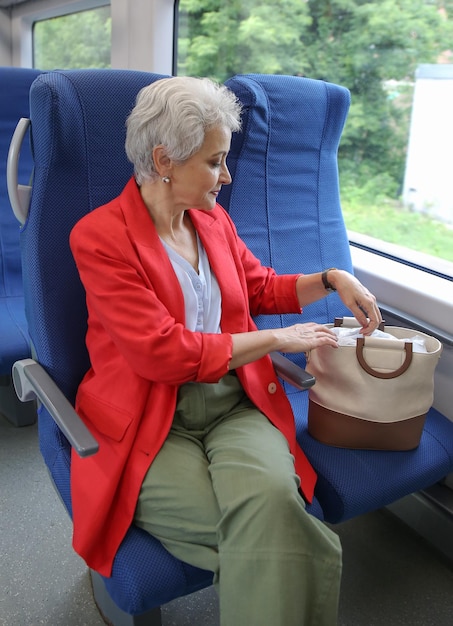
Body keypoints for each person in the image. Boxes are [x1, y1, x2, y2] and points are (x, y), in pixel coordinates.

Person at [69, 76, 382, 626]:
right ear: (165, 160)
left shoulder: (213, 220)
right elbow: (161, 353)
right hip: (150, 417)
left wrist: (333, 278)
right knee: (274, 531)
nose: (227, 175)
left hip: (234, 402)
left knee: (273, 514)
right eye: (215, 162)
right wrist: (277, 339)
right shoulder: (99, 237)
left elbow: (261, 288)